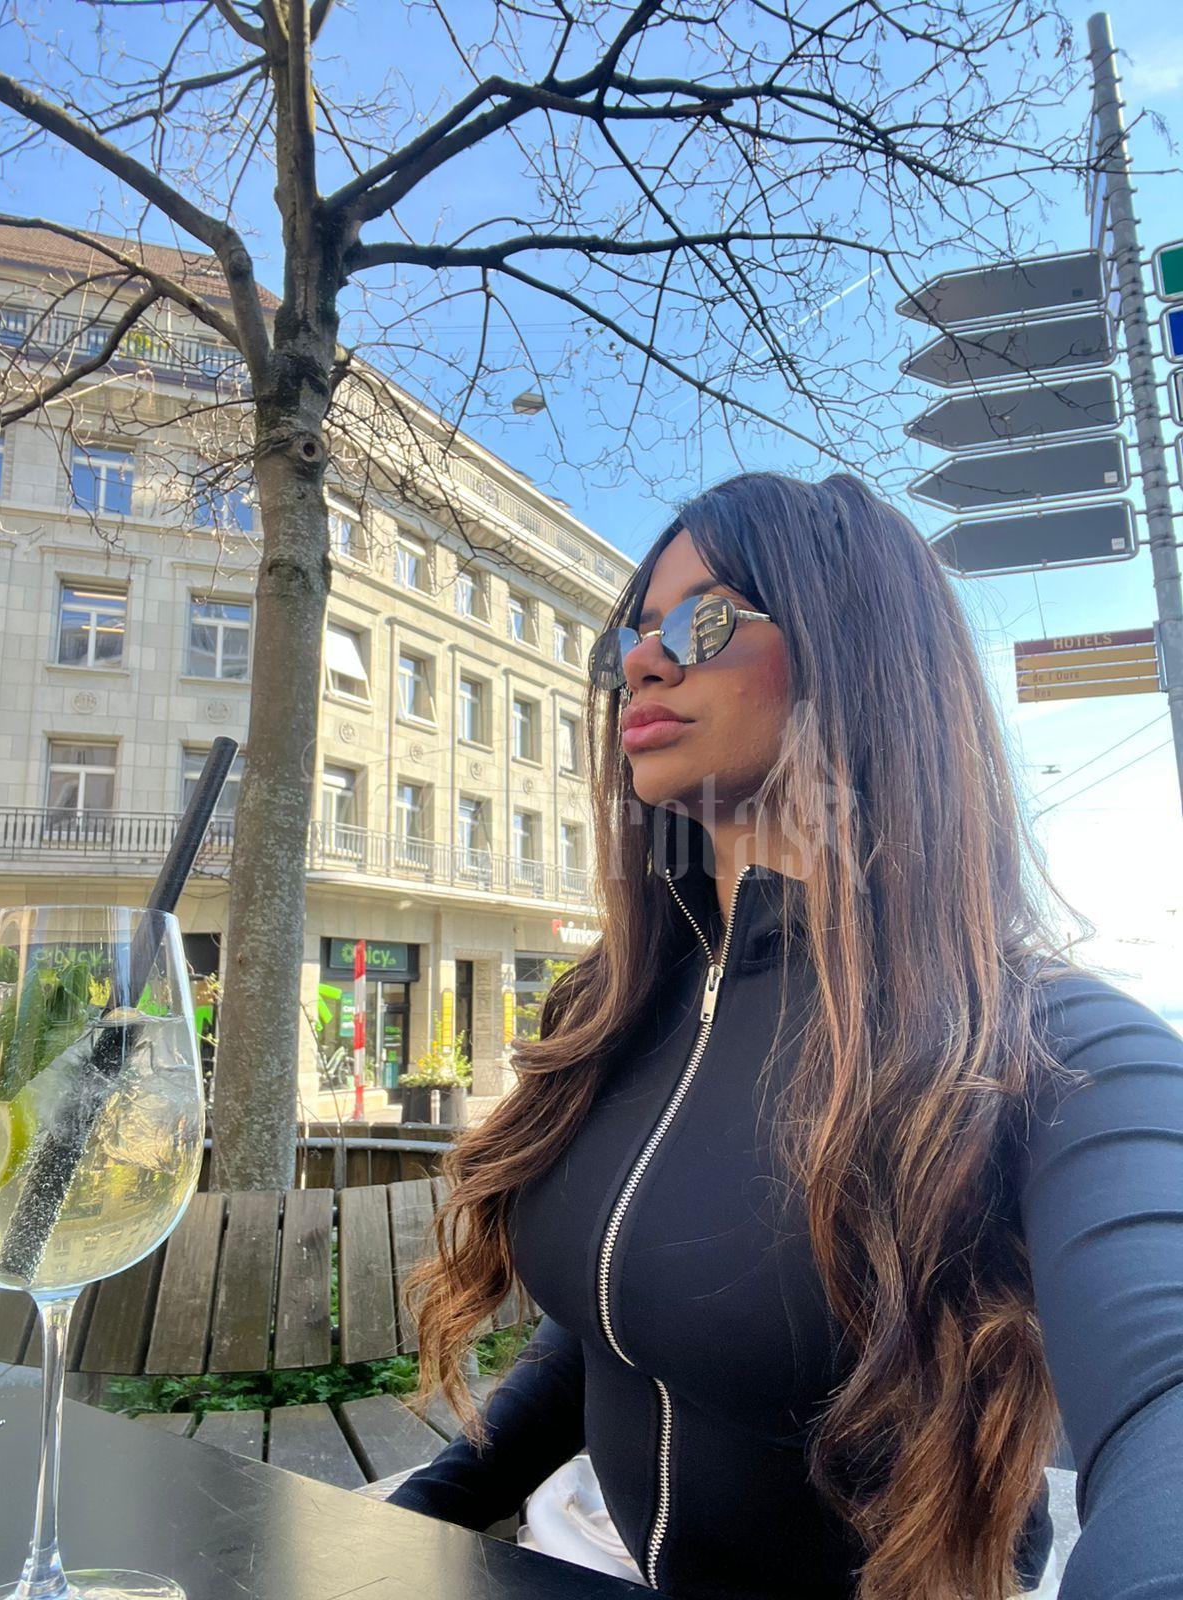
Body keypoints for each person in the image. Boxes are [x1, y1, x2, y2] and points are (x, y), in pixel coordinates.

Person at [381, 472, 1183, 1599]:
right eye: (631, 638)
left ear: (858, 657)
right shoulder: (611, 1007)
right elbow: (618, 1318)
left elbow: (1164, 1401)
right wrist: (414, 1516)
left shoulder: (1043, 1048)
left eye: (705, 622)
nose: (644, 663)